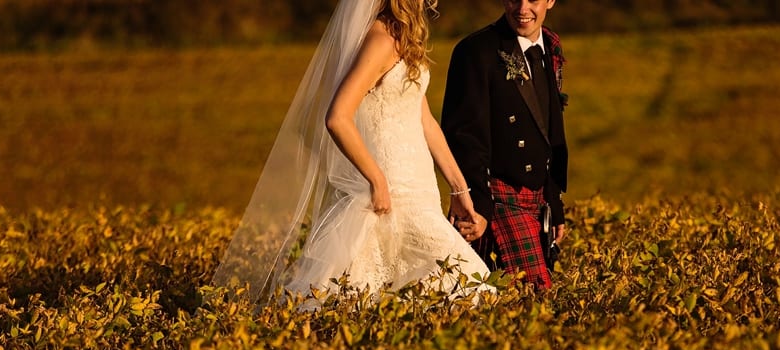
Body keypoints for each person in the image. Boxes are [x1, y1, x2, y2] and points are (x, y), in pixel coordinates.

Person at [212, 0, 491, 308]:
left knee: (415, 298)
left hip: (420, 189)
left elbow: (423, 119)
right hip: (394, 191)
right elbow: (337, 117)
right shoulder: (381, 40)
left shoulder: (404, 37)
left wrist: (458, 186)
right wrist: (376, 179)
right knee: (472, 288)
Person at [441, 0, 568, 290]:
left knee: (527, 297)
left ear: (550, 1)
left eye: (533, 0)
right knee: (533, 294)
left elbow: (549, 130)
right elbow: (463, 136)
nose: (523, 8)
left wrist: (554, 201)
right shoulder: (475, 51)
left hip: (537, 199)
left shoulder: (550, 44)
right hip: (499, 197)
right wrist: (477, 206)